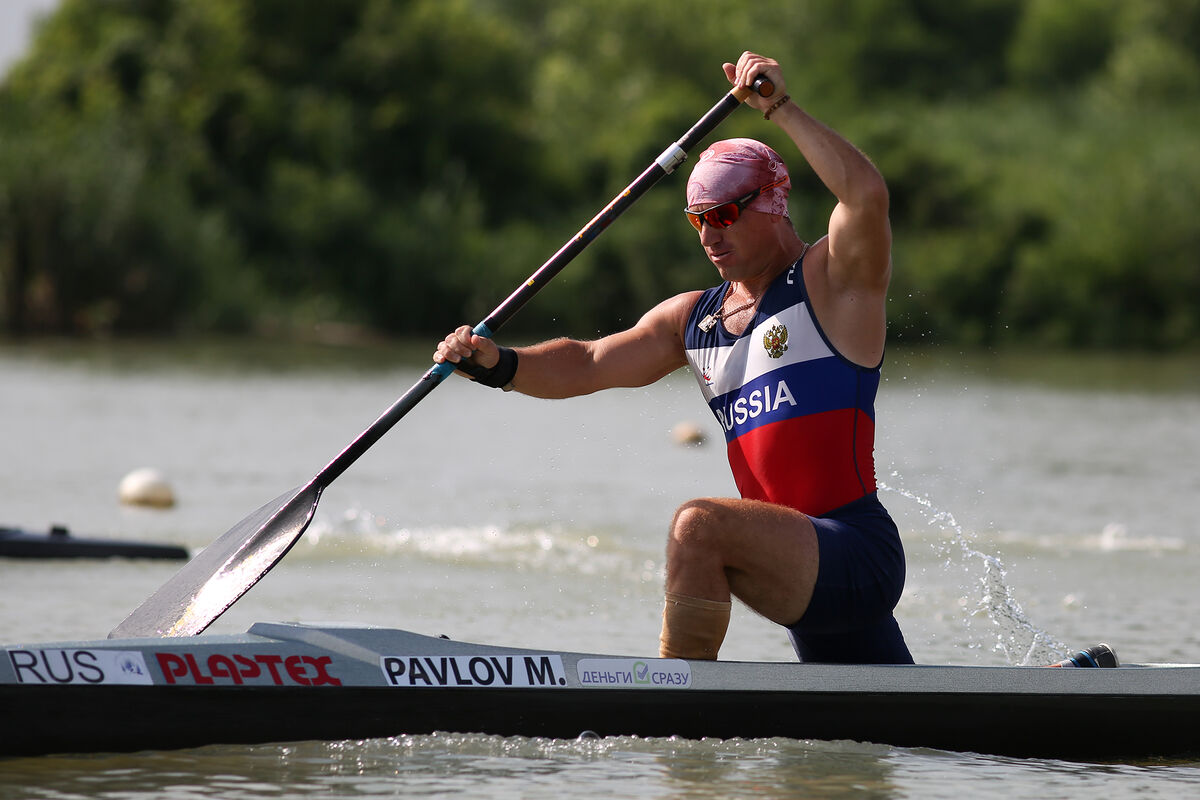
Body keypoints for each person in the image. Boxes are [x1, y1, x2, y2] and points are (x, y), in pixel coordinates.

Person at [434, 52, 913, 664]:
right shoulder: (692, 319)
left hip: (854, 551)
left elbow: (865, 195)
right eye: (697, 221)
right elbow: (586, 362)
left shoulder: (831, 281)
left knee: (700, 527)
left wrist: (779, 108)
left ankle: (672, 706)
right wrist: (496, 363)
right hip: (792, 561)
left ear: (772, 201)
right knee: (886, 731)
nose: (710, 235)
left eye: (724, 216)